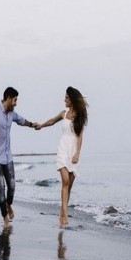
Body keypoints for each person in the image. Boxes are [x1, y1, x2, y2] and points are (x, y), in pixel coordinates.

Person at [0, 87, 37, 227]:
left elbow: (21, 120)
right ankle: (5, 217)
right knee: (1, 188)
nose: (16, 103)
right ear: (8, 98)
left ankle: (8, 204)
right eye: (15, 100)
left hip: (8, 158)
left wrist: (33, 125)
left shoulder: (12, 114)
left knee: (12, 186)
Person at [36, 86, 88, 228]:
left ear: (72, 99)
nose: (64, 100)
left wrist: (77, 154)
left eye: (66, 97)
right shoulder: (63, 114)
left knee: (68, 186)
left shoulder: (79, 116)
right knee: (65, 181)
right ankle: (65, 213)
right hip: (62, 150)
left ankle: (61, 215)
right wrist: (41, 125)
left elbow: (80, 137)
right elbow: (52, 121)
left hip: (73, 152)